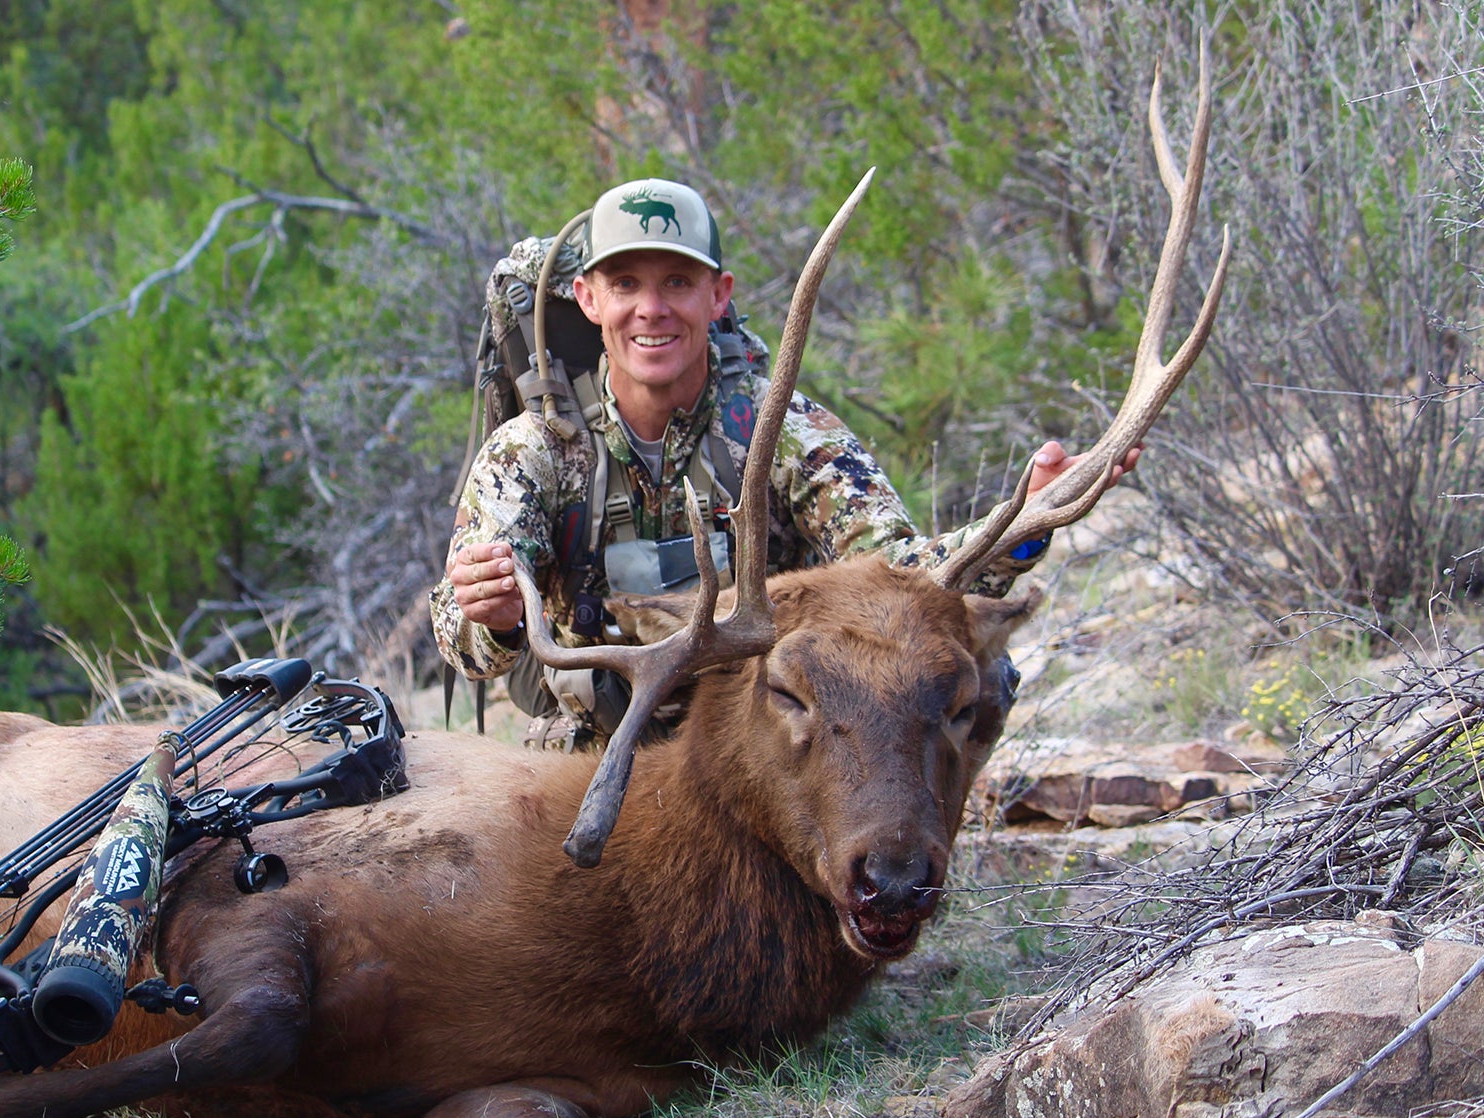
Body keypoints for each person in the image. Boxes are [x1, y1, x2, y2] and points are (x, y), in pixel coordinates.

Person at [430, 177, 1131, 743]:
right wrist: (491, 617)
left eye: (677, 282)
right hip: (597, 747)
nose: (652, 309)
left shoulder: (783, 428)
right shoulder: (533, 450)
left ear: (719, 295)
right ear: (588, 299)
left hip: (768, 748)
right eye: (626, 285)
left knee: (980, 678)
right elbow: (460, 641)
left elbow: (903, 576)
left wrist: (1028, 518)